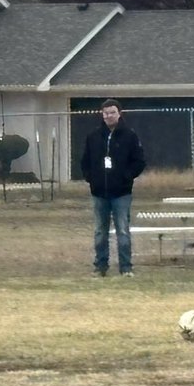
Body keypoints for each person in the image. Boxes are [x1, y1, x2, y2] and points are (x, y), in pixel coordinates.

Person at [80, 98, 146, 277]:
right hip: (99, 193)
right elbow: (85, 161)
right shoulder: (93, 136)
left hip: (121, 193)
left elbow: (139, 162)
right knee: (100, 231)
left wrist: (126, 177)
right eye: (105, 113)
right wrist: (91, 178)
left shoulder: (130, 136)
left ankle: (126, 267)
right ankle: (101, 266)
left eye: (112, 112)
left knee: (122, 230)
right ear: (102, 115)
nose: (108, 116)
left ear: (119, 114)